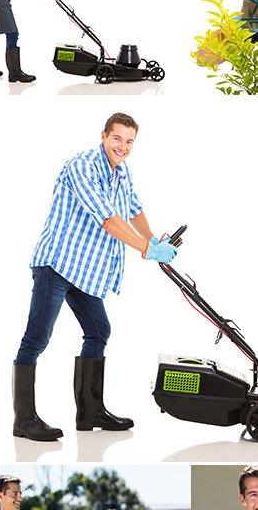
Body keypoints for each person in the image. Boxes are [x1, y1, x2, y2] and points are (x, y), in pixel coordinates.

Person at [13, 112, 177, 442]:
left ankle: (90, 412)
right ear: (103, 136)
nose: (123, 146)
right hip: (56, 264)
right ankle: (24, 420)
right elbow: (108, 219)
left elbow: (133, 209)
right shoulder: (82, 166)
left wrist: (154, 239)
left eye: (130, 141)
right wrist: (146, 249)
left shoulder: (122, 171)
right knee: (37, 338)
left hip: (84, 270)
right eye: (117, 138)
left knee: (99, 329)